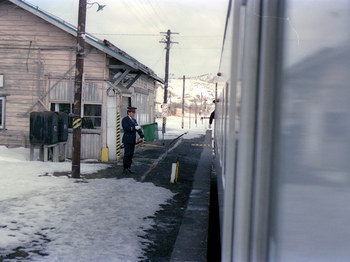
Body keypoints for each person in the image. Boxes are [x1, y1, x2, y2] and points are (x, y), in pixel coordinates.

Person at [122, 106, 144, 174]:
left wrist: (142, 135)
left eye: (134, 112)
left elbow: (138, 128)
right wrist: (134, 128)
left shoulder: (134, 120)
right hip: (127, 140)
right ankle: (125, 168)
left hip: (132, 140)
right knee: (127, 154)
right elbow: (126, 128)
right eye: (132, 112)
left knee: (131, 155)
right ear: (129, 112)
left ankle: (129, 167)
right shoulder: (125, 120)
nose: (133, 114)